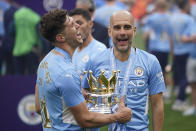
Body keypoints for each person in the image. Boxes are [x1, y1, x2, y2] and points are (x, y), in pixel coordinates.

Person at [35, 9, 132, 131]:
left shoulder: (45, 62)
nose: (77, 26)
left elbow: (39, 107)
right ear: (61, 37)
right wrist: (117, 117)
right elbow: (85, 120)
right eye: (72, 24)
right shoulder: (66, 73)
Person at [83, 10, 165, 131]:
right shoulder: (95, 61)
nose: (122, 32)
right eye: (117, 27)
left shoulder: (150, 61)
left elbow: (157, 104)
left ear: (134, 31)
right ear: (110, 32)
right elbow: (85, 96)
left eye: (127, 27)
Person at [143, 0, 173, 102]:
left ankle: (153, 93)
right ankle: (167, 93)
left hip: (154, 47)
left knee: (152, 71)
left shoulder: (151, 18)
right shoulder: (170, 17)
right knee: (165, 71)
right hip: (165, 47)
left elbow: (146, 34)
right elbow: (171, 34)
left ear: (156, 6)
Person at [170, 0, 195, 111]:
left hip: (177, 50)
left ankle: (181, 98)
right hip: (187, 51)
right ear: (185, 6)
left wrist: (172, 51)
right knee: (187, 77)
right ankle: (180, 100)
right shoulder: (189, 19)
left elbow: (170, 37)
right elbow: (192, 37)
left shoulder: (172, 17)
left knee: (181, 76)